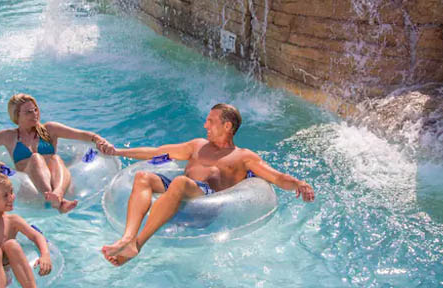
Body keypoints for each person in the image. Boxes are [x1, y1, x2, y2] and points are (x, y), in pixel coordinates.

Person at [100, 103, 315, 266]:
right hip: (179, 192)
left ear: (227, 126)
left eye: (211, 121)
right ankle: (127, 237)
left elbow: (276, 177)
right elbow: (158, 152)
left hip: (205, 203)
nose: (205, 125)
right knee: (142, 177)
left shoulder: (243, 157)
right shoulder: (198, 146)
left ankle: (137, 244)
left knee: (181, 182)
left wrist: (299, 183)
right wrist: (118, 152)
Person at [0, 93, 115, 213]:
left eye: (35, 109)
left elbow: (84, 135)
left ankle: (57, 197)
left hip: (57, 184)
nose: (34, 114)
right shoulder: (9, 137)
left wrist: (100, 141)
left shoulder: (49, 129)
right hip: (30, 189)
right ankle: (54, 199)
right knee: (37, 157)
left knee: (55, 158)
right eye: (28, 112)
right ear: (17, 116)